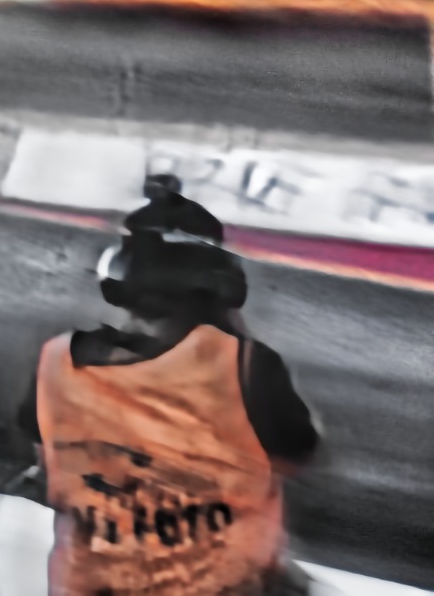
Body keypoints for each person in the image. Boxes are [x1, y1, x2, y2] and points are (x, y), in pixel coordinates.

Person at [19, 176, 319, 596]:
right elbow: (295, 453)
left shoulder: (58, 359)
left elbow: (44, 454)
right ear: (222, 284)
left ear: (118, 279)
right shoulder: (244, 365)